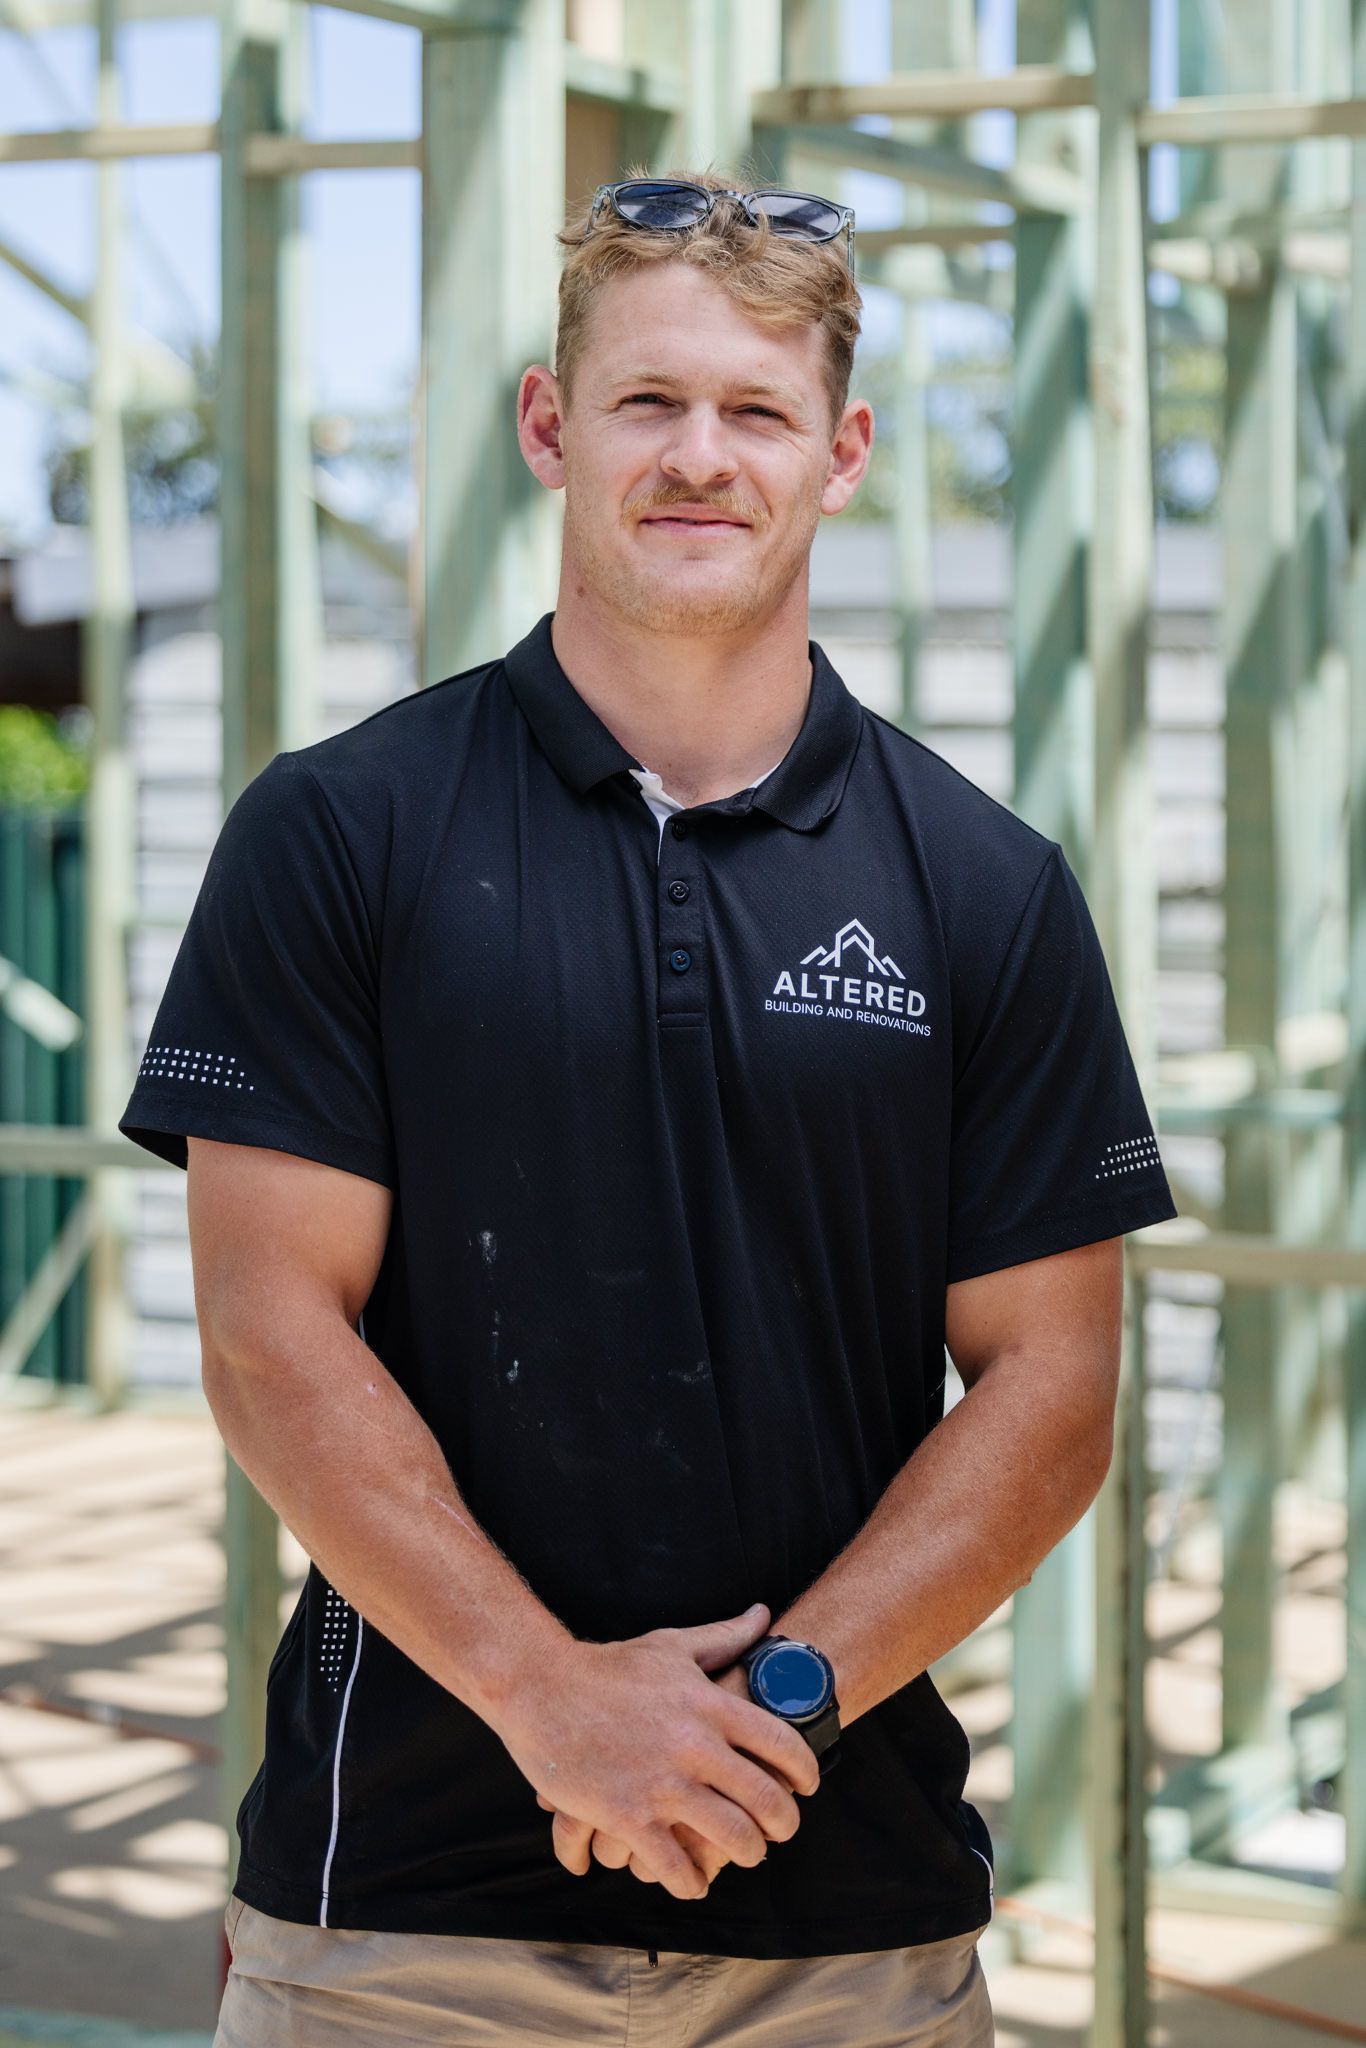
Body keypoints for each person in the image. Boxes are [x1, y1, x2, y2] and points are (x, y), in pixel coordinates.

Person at [118, 165, 1178, 2047]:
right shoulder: (342, 830)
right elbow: (271, 1329)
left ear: (841, 453)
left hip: (845, 1925)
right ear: (550, 423)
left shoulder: (982, 884)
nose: (703, 457)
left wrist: (765, 1714)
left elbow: (1053, 1386)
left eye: (757, 411)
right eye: (648, 402)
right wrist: (551, 1698)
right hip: (402, 1927)